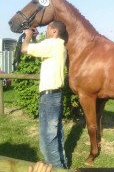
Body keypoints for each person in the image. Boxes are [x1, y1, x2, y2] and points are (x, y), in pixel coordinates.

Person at [22, 21, 68, 169]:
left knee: (47, 140)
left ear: (54, 31)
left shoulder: (52, 45)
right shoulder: (59, 46)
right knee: (57, 136)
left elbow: (24, 49)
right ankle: (63, 167)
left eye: (48, 29)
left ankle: (55, 169)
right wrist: (35, 39)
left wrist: (28, 36)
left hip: (49, 97)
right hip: (56, 95)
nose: (46, 31)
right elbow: (41, 52)